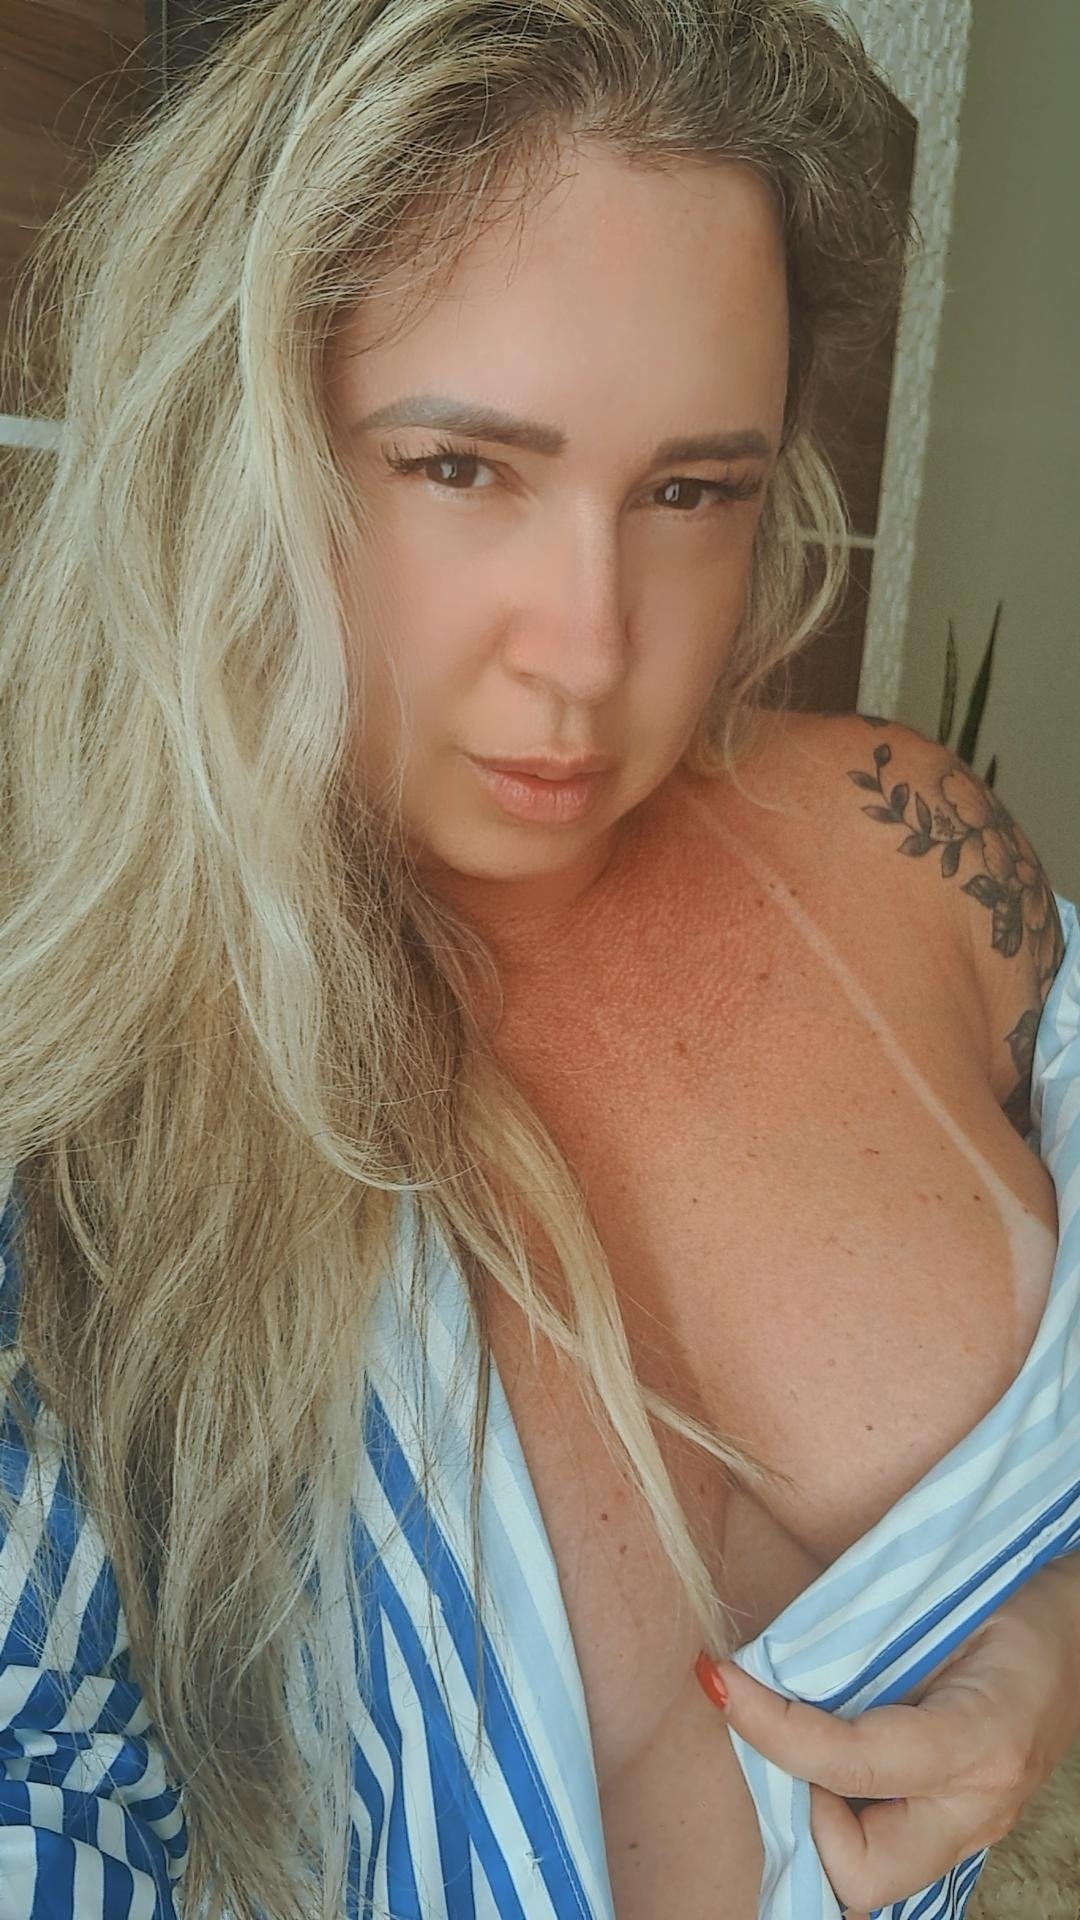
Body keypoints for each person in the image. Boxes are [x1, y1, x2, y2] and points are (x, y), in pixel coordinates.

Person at [1, 2, 1078, 1917]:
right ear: (232, 440)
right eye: (459, 467)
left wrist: (1056, 1635)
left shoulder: (911, 850)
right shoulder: (80, 1126)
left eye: (690, 492)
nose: (588, 649)